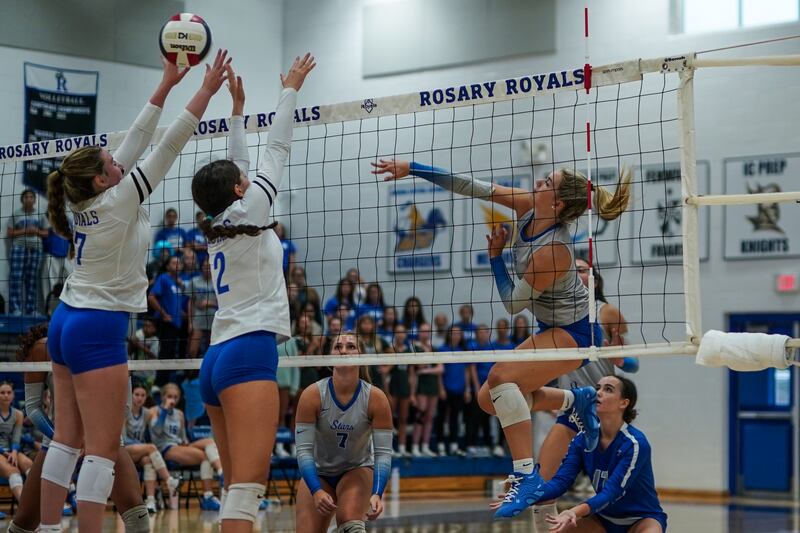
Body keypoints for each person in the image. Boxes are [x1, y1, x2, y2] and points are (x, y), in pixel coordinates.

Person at [372, 159, 631, 518]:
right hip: (550, 327)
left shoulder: (553, 250)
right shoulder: (528, 205)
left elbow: (512, 304)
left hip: (575, 333)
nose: (537, 182)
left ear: (556, 205)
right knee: (487, 398)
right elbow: (472, 185)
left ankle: (526, 474)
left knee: (499, 377)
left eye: (546, 183)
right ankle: (577, 400)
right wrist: (413, 168)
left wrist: (495, 258)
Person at [42, 51, 230, 533]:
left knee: (66, 441)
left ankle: (45, 529)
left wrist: (166, 81)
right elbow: (166, 144)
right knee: (101, 450)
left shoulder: (86, 192)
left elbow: (138, 135)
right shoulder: (120, 198)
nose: (119, 159)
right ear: (105, 178)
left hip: (66, 318)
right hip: (95, 326)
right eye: (112, 161)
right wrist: (206, 90)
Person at [189, 55, 315, 530]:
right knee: (247, 487)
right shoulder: (249, 210)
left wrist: (238, 112)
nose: (247, 179)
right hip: (247, 352)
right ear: (240, 192)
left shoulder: (225, 220)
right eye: (242, 182)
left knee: (236, 487)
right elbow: (276, 148)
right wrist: (292, 89)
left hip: (218, 359)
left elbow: (237, 168)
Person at [12, 323, 154, 533]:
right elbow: (33, 407)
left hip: (106, 438)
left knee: (138, 517)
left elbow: (124, 406)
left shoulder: (115, 344)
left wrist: (96, 438)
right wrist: (62, 439)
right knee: (23, 523)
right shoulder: (44, 348)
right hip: (58, 441)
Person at [531, 260, 638, 531]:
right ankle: (544, 526)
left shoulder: (607, 312)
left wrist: (622, 358)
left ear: (595, 280)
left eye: (582, 269)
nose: (576, 273)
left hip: (603, 407)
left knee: (613, 483)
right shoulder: (558, 315)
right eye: (572, 270)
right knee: (542, 475)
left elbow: (635, 363)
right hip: (573, 403)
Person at [495, 376, 667, 532]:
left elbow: (610, 493)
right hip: (604, 519)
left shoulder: (635, 444)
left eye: (608, 389)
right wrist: (526, 496)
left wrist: (573, 511)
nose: (598, 393)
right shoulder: (582, 439)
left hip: (641, 519)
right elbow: (561, 482)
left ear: (624, 403)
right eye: (597, 387)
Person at [294, 332, 394, 533]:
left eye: (351, 346)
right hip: (319, 472)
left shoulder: (376, 398)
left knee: (350, 524)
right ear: (329, 356)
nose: (344, 351)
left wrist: (377, 493)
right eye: (338, 347)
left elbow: (383, 454)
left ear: (362, 356)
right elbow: (303, 451)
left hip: (356, 469)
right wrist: (315, 490)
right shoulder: (312, 395)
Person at [149, 383, 222, 510]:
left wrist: (185, 443)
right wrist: (165, 411)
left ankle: (221, 473)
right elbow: (157, 431)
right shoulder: (154, 411)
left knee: (209, 442)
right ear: (162, 397)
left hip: (179, 446)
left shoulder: (180, 414)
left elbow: (183, 437)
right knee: (205, 457)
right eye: (169, 396)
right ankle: (208, 496)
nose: (172, 400)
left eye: (175, 397)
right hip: (164, 448)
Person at [124, 382, 181, 513]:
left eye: (143, 395)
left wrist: (164, 412)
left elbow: (157, 430)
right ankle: (169, 481)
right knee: (150, 448)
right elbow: (122, 438)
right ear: (131, 395)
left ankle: (150, 501)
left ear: (146, 397)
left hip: (139, 451)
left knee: (148, 461)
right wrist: (140, 445)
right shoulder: (125, 411)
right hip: (125, 450)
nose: (139, 398)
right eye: (137, 394)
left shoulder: (147, 413)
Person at [6, 189, 48, 316]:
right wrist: (25, 231)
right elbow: (10, 233)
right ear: (22, 200)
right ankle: (15, 309)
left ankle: (31, 310)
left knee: (32, 279)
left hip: (36, 249)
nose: (29, 199)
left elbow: (46, 233)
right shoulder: (16, 214)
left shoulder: (40, 214)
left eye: (31, 197)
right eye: (26, 197)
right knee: (16, 279)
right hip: (19, 248)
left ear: (35, 200)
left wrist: (35, 231)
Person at [437, 325, 471, 457]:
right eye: (453, 333)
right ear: (448, 335)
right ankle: (440, 445)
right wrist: (440, 388)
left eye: (458, 334)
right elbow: (439, 372)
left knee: (455, 418)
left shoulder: (463, 350)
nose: (456, 336)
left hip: (459, 390)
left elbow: (467, 372)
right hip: (446, 389)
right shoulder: (442, 349)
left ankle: (453, 445)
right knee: (441, 417)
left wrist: (467, 389)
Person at [409, 322, 442, 458]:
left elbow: (440, 368)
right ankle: (415, 446)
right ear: (419, 333)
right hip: (421, 386)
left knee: (429, 416)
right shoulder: (415, 347)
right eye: (423, 331)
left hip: (432, 385)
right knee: (420, 415)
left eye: (427, 331)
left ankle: (425, 446)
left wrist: (425, 371)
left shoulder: (433, 348)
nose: (425, 333)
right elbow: (418, 365)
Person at [0, 382, 32, 505]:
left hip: (12, 449)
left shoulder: (18, 414)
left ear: (13, 395)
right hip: (1, 450)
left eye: (9, 392)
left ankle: (41, 502)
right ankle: (26, 506)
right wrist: (4, 452)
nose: (6, 395)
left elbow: (16, 437)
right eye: (2, 393)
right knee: (13, 471)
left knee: (28, 464)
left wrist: (13, 451)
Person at [385, 324, 413, 457]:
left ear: (405, 335)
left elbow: (412, 374)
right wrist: (387, 392)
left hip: (405, 388)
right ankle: (389, 447)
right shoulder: (391, 350)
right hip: (393, 387)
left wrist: (412, 393)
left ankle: (401, 447)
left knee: (403, 419)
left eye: (403, 332)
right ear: (394, 334)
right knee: (389, 419)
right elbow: (384, 372)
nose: (400, 335)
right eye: (398, 332)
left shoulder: (409, 351)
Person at [186, 256, 218, 358]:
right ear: (201, 267)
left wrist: (209, 303)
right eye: (204, 266)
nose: (206, 268)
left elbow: (224, 303)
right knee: (192, 350)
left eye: (209, 266)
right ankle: (189, 373)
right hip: (198, 320)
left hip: (214, 320)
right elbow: (190, 303)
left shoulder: (218, 281)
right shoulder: (194, 281)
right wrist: (190, 322)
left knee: (211, 351)